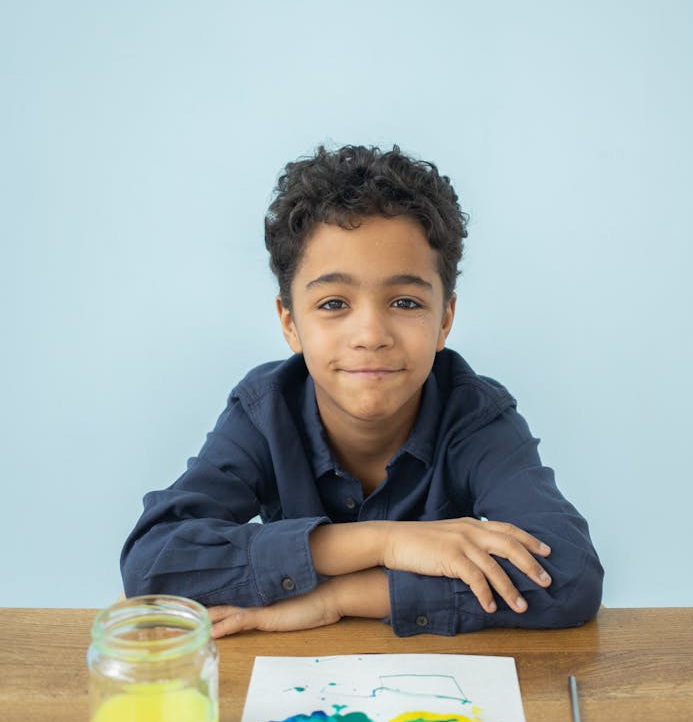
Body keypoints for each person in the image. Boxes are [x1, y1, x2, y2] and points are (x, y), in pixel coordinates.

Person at [121, 144, 603, 638]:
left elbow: (569, 576)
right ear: (290, 323)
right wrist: (384, 542)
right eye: (333, 303)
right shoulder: (265, 412)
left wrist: (337, 596)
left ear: (446, 320)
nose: (371, 334)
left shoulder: (475, 416)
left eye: (405, 301)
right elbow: (154, 565)